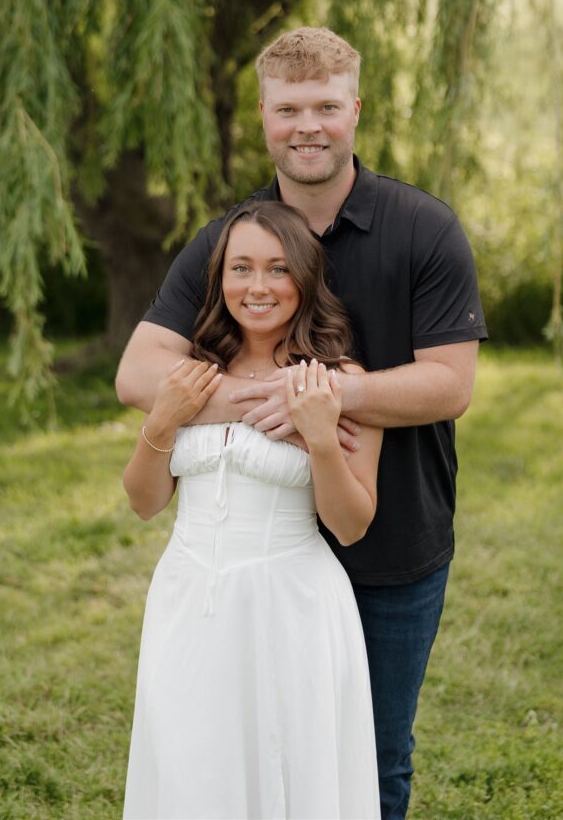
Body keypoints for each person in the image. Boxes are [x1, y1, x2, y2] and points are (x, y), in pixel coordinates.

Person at [116, 26, 489, 820]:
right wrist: (245, 400)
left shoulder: (425, 229)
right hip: (240, 570)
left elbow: (449, 386)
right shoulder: (229, 240)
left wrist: (324, 399)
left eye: (326, 106)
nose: (308, 126)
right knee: (232, 755)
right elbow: (137, 373)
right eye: (289, 109)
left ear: (355, 110)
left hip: (389, 544)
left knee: (368, 759)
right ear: (264, 117)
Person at [122, 200, 383, 819]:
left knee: (286, 767)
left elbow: (351, 525)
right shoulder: (193, 373)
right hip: (187, 598)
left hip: (290, 605)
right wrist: (162, 419)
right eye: (241, 268)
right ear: (220, 280)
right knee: (190, 765)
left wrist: (320, 437)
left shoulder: (339, 380)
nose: (257, 287)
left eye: (277, 269)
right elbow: (144, 502)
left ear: (305, 278)